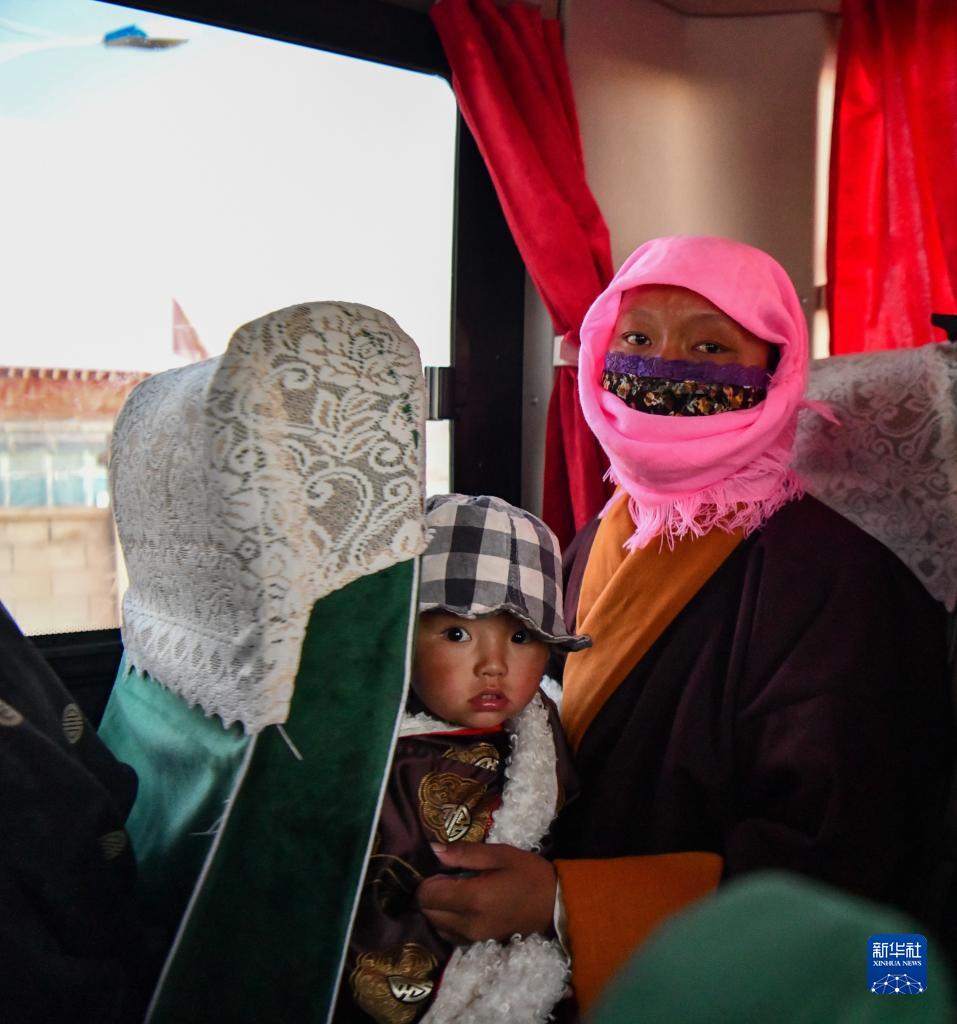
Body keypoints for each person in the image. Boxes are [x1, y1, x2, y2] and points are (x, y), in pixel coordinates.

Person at [417, 235, 954, 1013]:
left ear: (775, 373)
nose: (663, 368)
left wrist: (564, 902)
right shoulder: (600, 533)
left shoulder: (837, 580)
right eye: (635, 341)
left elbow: (858, 861)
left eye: (709, 347)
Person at [335, 493, 589, 1024]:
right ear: (404, 636)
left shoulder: (543, 728)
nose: (493, 665)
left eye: (520, 636)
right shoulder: (377, 756)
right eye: (457, 634)